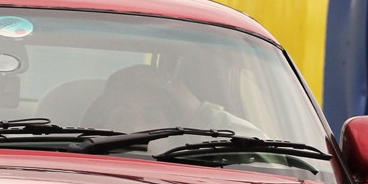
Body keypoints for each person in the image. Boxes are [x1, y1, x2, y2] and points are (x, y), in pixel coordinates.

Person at [84, 64, 260, 136]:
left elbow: (269, 161)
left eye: (153, 119)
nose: (136, 129)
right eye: (122, 117)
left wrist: (199, 112)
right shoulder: (79, 168)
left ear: (175, 131)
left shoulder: (196, 169)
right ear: (102, 125)